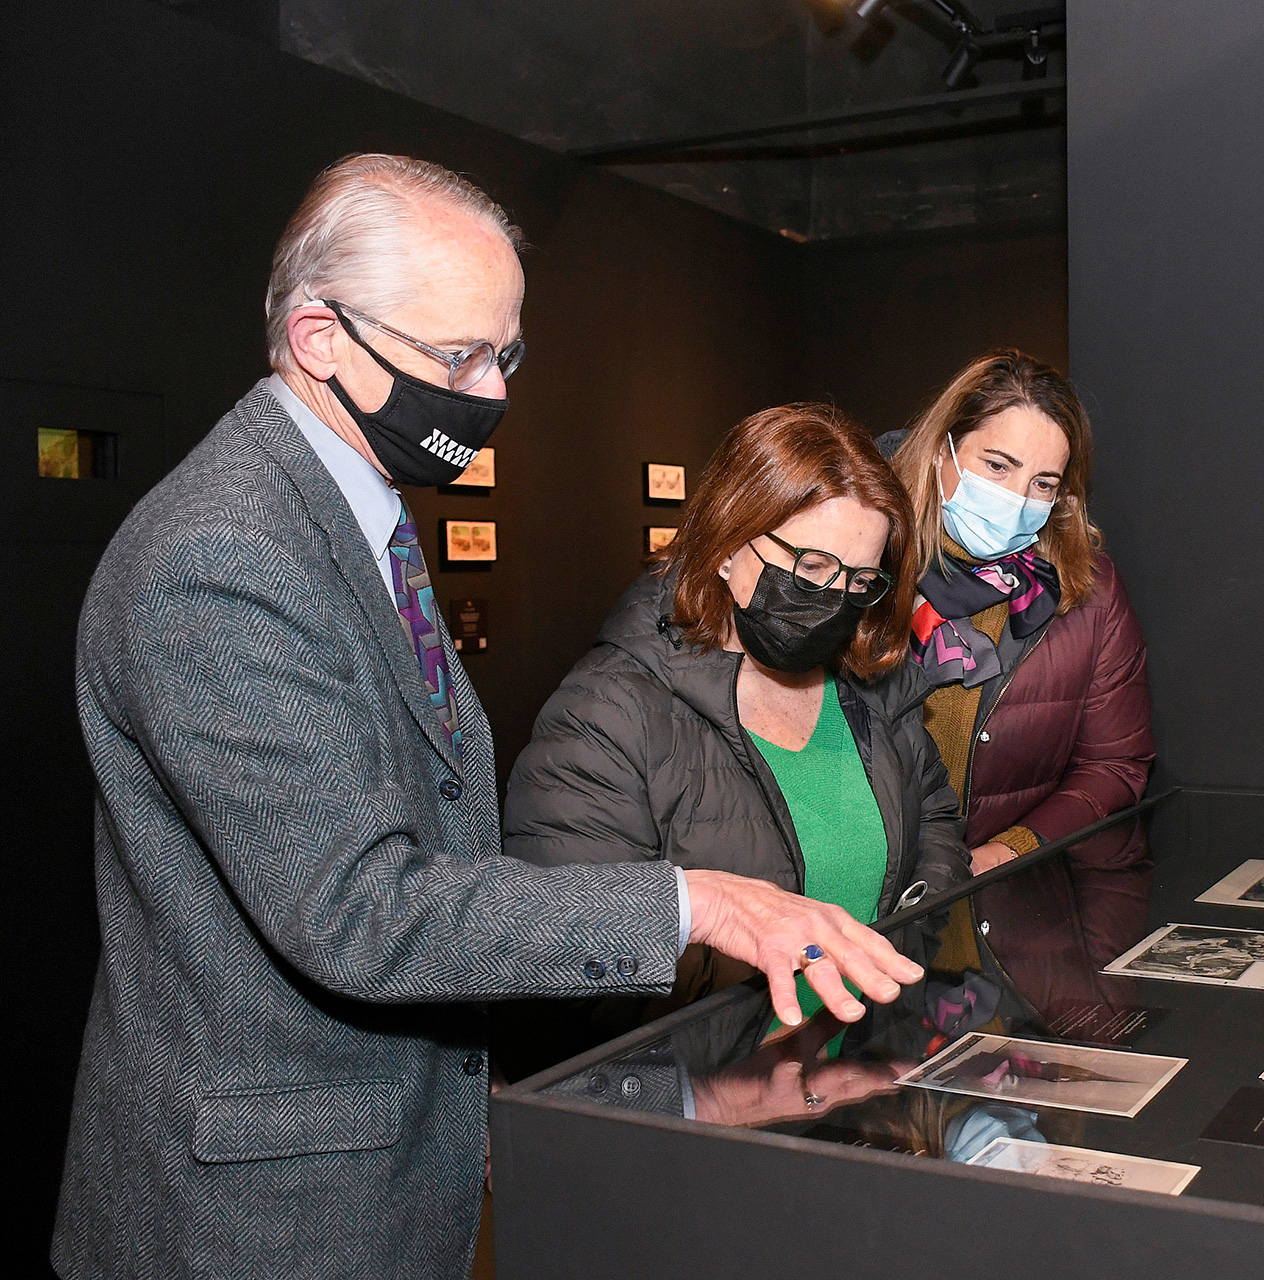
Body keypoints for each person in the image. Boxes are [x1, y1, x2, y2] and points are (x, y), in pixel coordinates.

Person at [51, 154, 920, 1280]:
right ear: (321, 339)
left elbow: (436, 831)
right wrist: (695, 899)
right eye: (456, 354)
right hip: (264, 1218)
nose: (493, 391)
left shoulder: (354, 509)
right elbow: (359, 909)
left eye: (505, 353)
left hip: (394, 1166)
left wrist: (482, 1091)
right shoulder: (223, 555)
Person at [502, 404, 969, 1045]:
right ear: (727, 545)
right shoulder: (606, 714)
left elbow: (936, 827)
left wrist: (890, 976)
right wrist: (766, 1028)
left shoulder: (876, 693)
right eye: (809, 568)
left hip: (858, 1075)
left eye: (860, 581)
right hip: (705, 1107)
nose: (833, 598)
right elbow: (571, 952)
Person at [882, 351, 1154, 979]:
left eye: (1042, 484)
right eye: (996, 466)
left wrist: (1012, 850)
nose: (1015, 499)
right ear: (939, 452)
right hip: (858, 914)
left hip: (1001, 929)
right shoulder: (864, 564)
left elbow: (1115, 763)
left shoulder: (1088, 588)